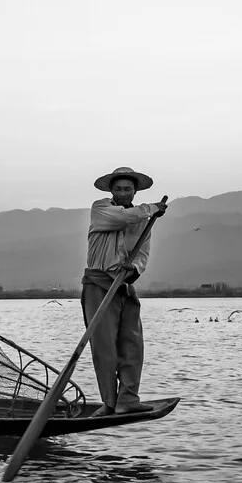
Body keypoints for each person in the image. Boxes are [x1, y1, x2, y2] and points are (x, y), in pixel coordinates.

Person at [82, 167, 168, 417]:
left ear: (134, 191)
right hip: (98, 284)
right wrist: (152, 209)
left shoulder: (143, 220)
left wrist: (134, 269)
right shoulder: (101, 208)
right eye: (118, 189)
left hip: (123, 284)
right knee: (104, 346)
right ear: (111, 191)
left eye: (127, 189)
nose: (122, 193)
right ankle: (109, 402)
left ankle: (127, 399)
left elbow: (142, 253)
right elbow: (122, 218)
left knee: (132, 343)